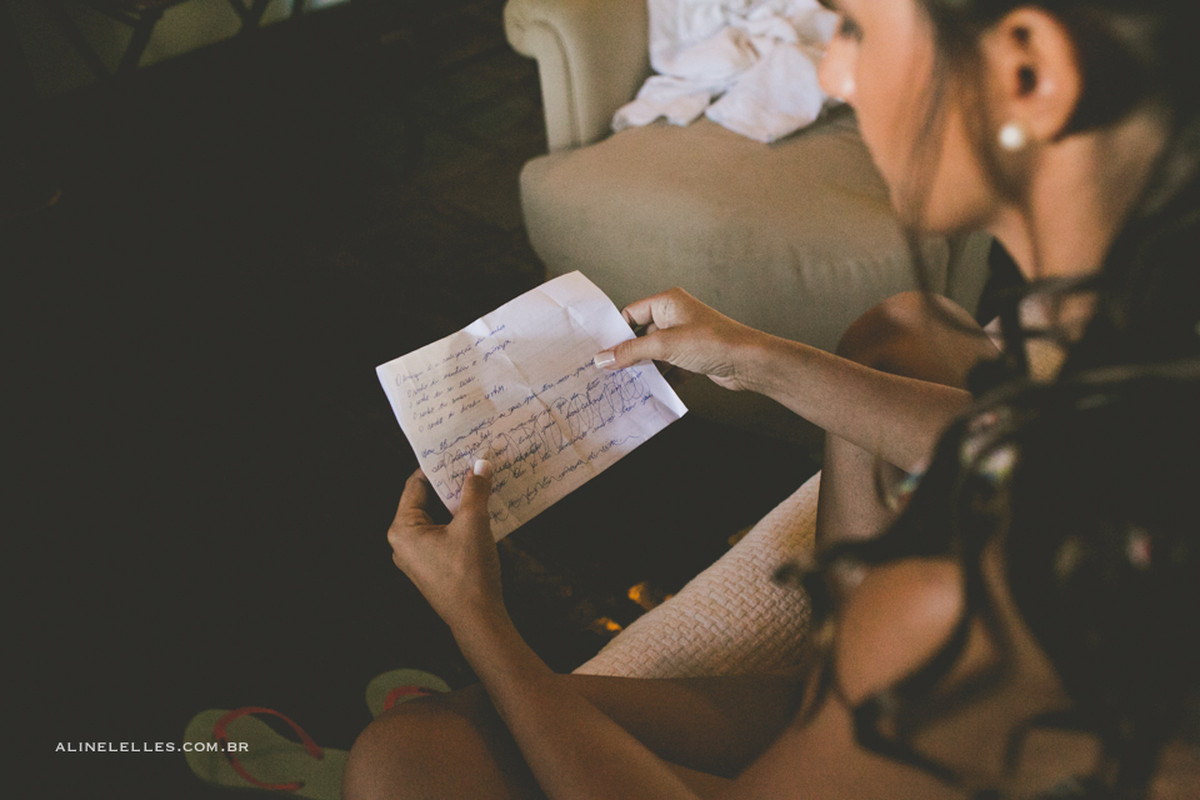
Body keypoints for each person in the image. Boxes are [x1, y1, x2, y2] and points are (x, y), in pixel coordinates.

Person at [343, 0, 1200, 797]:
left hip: (906, 705)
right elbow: (1038, 456)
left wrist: (479, 619)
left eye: (857, 26)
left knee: (403, 758)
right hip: (869, 694)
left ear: (1030, 70)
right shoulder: (1147, 345)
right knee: (910, 325)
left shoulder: (965, 609)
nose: (833, 75)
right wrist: (754, 359)